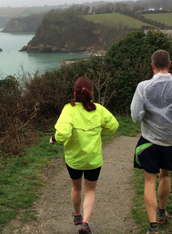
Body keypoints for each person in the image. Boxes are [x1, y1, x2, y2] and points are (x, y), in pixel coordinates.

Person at [130, 49, 172, 234]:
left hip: (149, 141)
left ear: (152, 66)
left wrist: (145, 115)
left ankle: (153, 227)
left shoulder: (143, 87)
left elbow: (135, 117)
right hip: (170, 142)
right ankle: (161, 212)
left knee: (149, 182)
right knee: (165, 175)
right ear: (169, 65)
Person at [50, 75, 119, 234]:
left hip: (74, 159)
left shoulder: (68, 109)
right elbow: (113, 127)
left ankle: (77, 215)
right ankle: (85, 223)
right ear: (91, 93)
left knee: (76, 187)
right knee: (90, 191)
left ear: (74, 94)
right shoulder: (99, 110)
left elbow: (63, 133)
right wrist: (102, 129)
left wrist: (54, 138)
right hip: (93, 160)